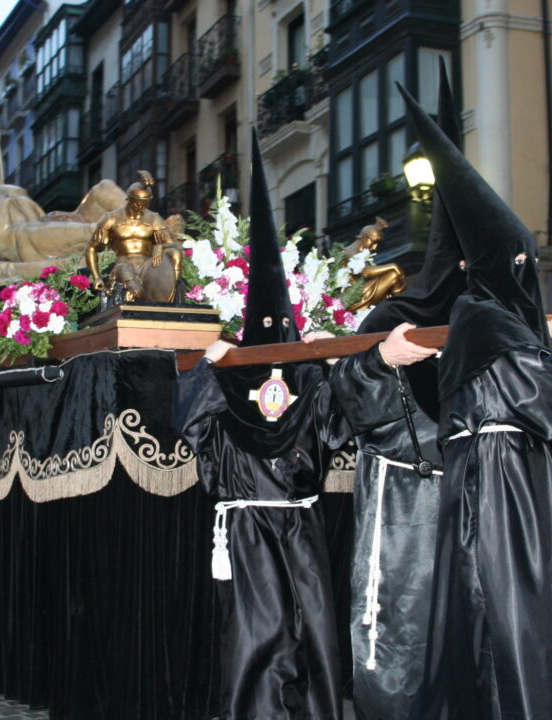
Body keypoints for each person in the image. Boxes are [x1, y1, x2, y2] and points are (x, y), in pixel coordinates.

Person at [397, 84, 552, 720]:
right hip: (501, 480)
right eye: (524, 261)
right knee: (508, 609)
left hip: (499, 473)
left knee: (501, 605)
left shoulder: (482, 317)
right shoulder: (489, 317)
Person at [174, 132, 349, 720]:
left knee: (312, 629)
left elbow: (336, 429)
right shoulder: (229, 387)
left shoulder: (306, 383)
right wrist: (209, 366)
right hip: (251, 531)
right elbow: (193, 427)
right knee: (260, 632)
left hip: (298, 526)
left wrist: (331, 366)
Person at [326, 61, 467, 720]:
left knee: (466, 619)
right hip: (405, 500)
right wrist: (381, 361)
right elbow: (347, 400)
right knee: (401, 619)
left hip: (476, 493)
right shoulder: (388, 318)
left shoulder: (490, 320)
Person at [85, 170, 183, 303]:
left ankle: (172, 296)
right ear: (129, 199)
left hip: (148, 268)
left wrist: (160, 247)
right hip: (123, 267)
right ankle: (139, 295)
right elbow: (92, 248)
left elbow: (174, 244)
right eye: (137, 202)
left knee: (176, 253)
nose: (140, 207)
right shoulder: (112, 219)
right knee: (131, 281)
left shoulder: (154, 219)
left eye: (144, 203)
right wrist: (96, 277)